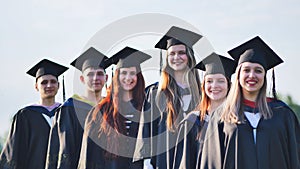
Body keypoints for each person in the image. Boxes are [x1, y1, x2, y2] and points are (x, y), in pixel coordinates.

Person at [200, 36, 300, 169]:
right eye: (246, 70)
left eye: (258, 71)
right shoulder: (221, 116)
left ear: (264, 76)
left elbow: (295, 158)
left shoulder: (283, 114)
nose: (252, 75)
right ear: (239, 75)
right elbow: (211, 162)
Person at [134, 26, 202, 169]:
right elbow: (146, 130)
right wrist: (147, 163)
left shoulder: (201, 94)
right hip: (162, 162)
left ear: (189, 56)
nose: (176, 57)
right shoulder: (156, 93)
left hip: (194, 160)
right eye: (172, 54)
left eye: (181, 53)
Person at [77, 46, 152, 169]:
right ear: (116, 76)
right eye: (124, 73)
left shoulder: (147, 107)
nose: (128, 78)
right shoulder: (101, 111)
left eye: (132, 73)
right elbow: (89, 154)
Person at [45, 47, 110, 169]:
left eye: (100, 74)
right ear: (82, 79)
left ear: (106, 78)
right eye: (90, 74)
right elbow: (65, 150)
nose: (95, 78)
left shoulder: (111, 108)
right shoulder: (69, 109)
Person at [0, 59, 68, 169]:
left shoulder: (67, 114)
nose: (49, 85)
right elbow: (13, 153)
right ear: (36, 86)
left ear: (59, 85)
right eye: (44, 82)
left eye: (53, 81)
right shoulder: (25, 116)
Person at [173, 52, 237, 169]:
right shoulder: (192, 122)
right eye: (209, 81)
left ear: (229, 85)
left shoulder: (236, 122)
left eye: (221, 81)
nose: (214, 86)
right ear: (203, 86)